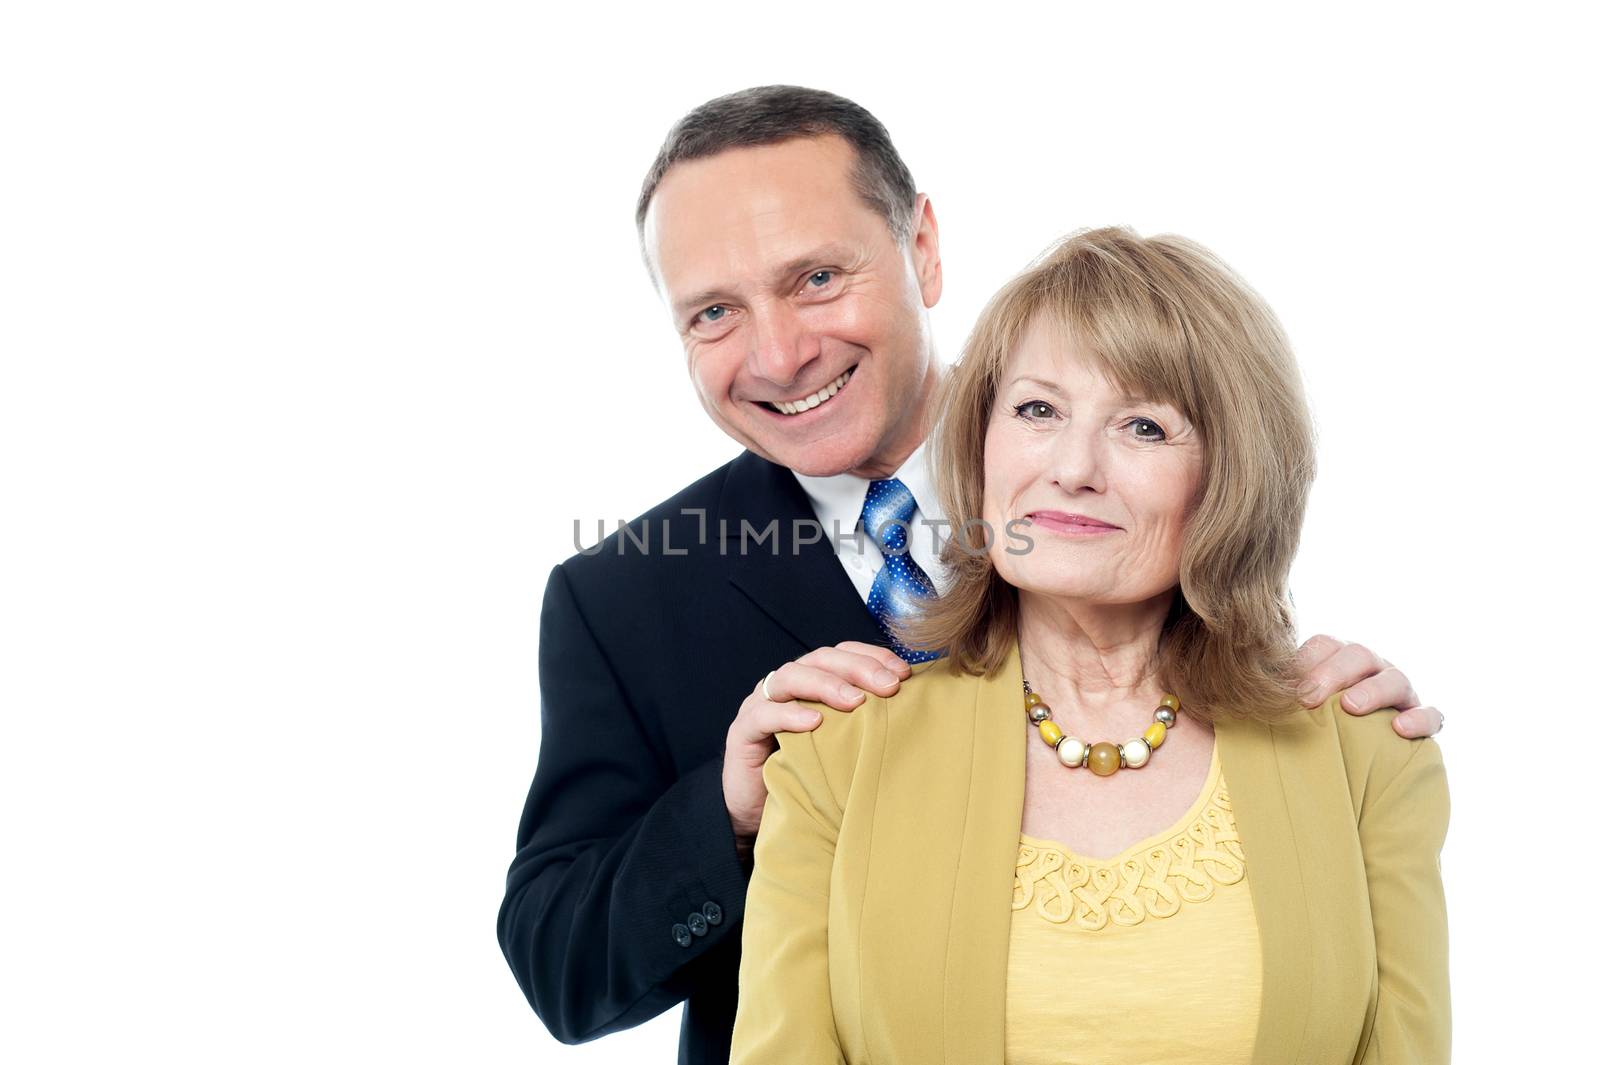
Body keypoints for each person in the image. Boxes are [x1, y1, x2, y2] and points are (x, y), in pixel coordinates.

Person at [497, 86, 1445, 1065]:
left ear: (924, 250)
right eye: (713, 313)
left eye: (817, 276)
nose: (779, 354)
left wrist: (1333, 727)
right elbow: (561, 972)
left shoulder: (1088, 483)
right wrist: (727, 817)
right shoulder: (622, 597)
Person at [730, 227, 1450, 1064]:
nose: (1074, 467)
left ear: (1233, 476)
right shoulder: (836, 754)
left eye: (1143, 426)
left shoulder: (1367, 755)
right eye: (1038, 409)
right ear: (983, 442)